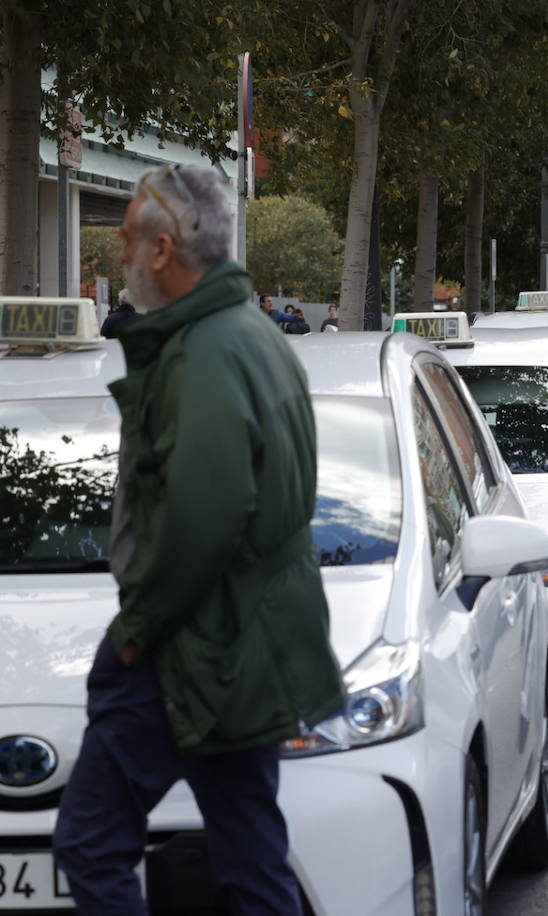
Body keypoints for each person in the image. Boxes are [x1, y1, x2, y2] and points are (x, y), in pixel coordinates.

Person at [51, 164, 344, 914]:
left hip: (187, 648)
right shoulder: (251, 335)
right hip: (243, 648)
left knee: (91, 843)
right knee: (253, 863)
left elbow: (205, 515)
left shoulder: (202, 351)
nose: (118, 255)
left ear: (161, 250)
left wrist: (136, 631)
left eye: (124, 239)